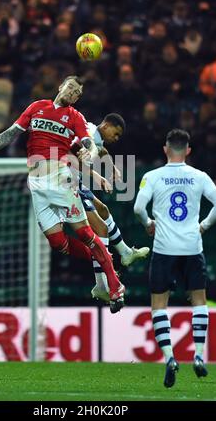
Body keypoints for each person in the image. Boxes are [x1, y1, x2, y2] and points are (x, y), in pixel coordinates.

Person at [0, 75, 125, 313]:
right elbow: (10, 134)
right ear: (61, 86)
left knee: (84, 232)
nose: (72, 93)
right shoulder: (36, 107)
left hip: (61, 177)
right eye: (70, 87)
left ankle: (114, 287)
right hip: (36, 183)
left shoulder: (75, 117)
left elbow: (88, 143)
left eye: (76, 93)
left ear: (78, 98)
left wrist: (86, 153)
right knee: (58, 243)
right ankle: (105, 260)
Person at [133, 129, 216, 387]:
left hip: (164, 249)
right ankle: (198, 356)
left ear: (165, 149)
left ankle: (170, 358)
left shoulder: (152, 176)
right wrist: (204, 226)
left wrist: (148, 223)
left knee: (159, 306)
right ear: (188, 150)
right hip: (192, 247)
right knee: (199, 301)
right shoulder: (200, 176)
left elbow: (138, 208)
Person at [71, 113, 149, 303]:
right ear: (106, 126)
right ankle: (101, 284)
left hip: (75, 180)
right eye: (116, 134)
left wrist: (112, 168)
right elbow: (74, 158)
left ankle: (124, 252)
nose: (116, 138)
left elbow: (102, 151)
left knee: (104, 210)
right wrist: (98, 177)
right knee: (101, 229)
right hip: (66, 181)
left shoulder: (94, 134)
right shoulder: (88, 134)